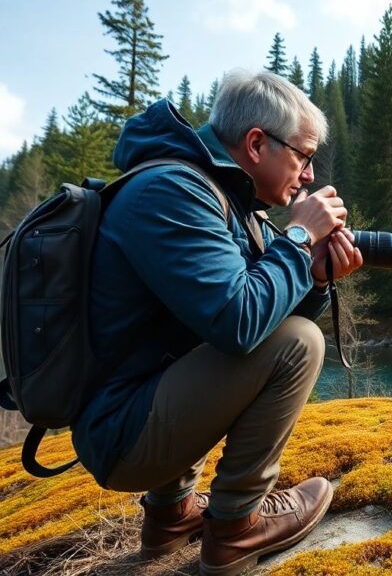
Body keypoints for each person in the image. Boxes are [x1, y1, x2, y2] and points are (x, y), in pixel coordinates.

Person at [70, 70, 363, 576]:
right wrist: (296, 240)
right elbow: (239, 322)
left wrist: (312, 278)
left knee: (283, 331)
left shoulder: (221, 197)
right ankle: (235, 528)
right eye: (304, 155)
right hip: (120, 434)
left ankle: (172, 515)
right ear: (256, 143)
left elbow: (253, 317)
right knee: (301, 344)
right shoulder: (173, 191)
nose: (309, 175)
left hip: (133, 416)